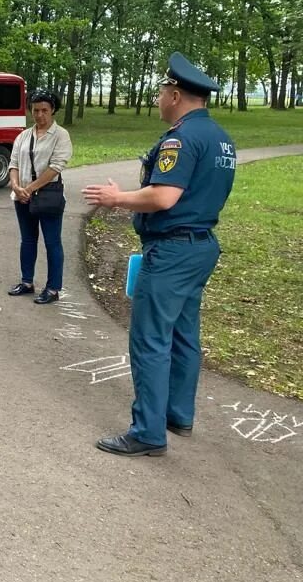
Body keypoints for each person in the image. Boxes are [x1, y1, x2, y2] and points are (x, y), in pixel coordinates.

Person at [83, 52, 237, 457]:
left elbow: (164, 195)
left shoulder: (181, 138)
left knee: (150, 340)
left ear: (175, 94)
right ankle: (177, 414)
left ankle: (148, 433)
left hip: (171, 252)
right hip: (201, 247)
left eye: (161, 91)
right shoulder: (221, 137)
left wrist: (117, 199)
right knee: (185, 336)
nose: (157, 98)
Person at [5, 89, 73, 305]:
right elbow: (13, 163)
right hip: (22, 197)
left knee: (52, 242)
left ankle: (53, 288)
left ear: (53, 110)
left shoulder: (61, 135)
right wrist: (16, 187)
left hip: (47, 197)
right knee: (27, 240)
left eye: (44, 110)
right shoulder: (23, 136)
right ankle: (27, 282)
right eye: (35, 110)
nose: (40, 115)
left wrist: (31, 187)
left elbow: (55, 167)